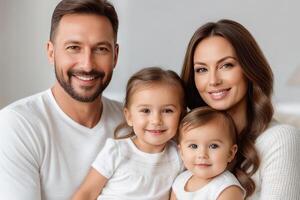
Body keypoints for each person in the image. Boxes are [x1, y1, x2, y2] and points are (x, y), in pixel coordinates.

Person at [0, 0, 123, 200]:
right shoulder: (17, 125)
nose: (87, 64)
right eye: (74, 47)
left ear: (115, 56)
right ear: (51, 52)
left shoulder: (134, 124)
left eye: (101, 49)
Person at [181, 19, 300, 199]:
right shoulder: (184, 137)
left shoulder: (280, 139)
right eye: (201, 70)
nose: (213, 80)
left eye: (226, 65)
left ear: (249, 69)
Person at [72, 67, 185, 200]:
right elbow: (87, 193)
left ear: (181, 116)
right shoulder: (117, 151)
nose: (156, 120)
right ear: (129, 116)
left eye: (167, 111)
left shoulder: (179, 156)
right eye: (145, 110)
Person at [171, 107, 246, 200]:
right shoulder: (180, 182)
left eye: (213, 146)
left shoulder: (227, 189)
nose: (202, 154)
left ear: (230, 153)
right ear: (181, 152)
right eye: (193, 146)